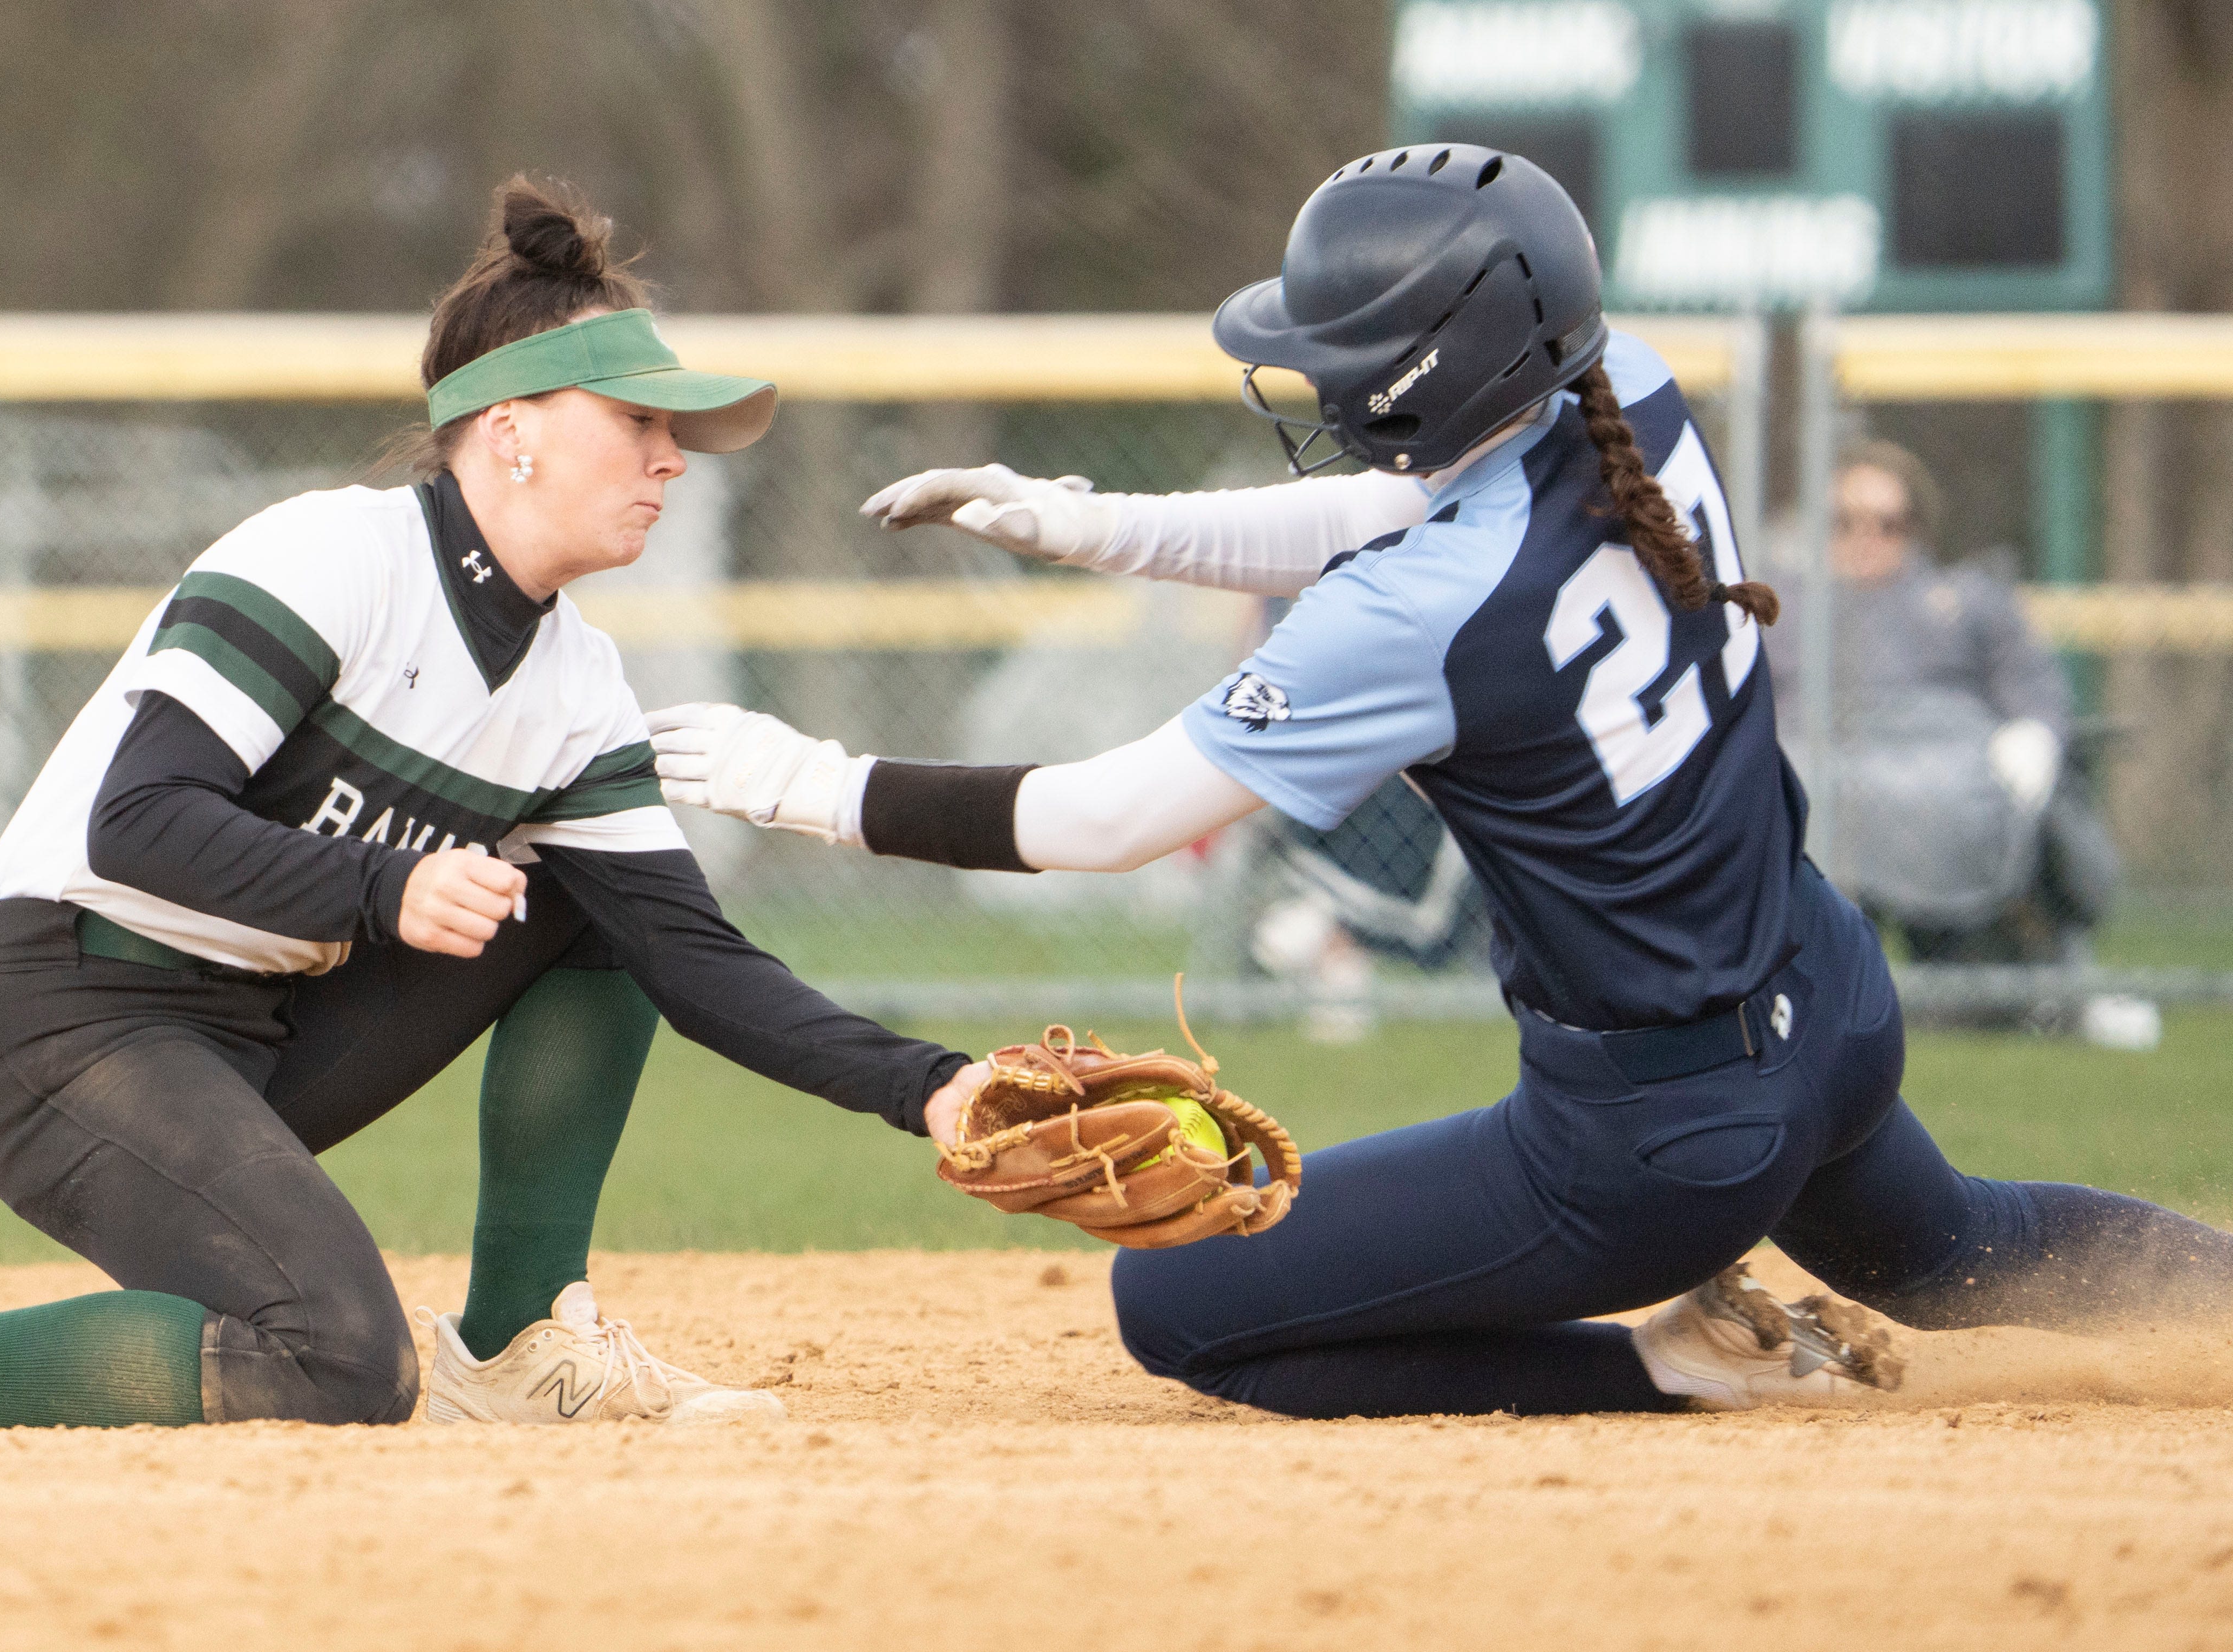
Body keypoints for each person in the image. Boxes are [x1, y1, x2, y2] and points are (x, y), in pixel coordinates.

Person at [649, 145, 2233, 1419]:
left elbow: (1102, 818)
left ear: (1424, 371)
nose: (1311, 371)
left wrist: (812, 783)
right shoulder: (1635, 389)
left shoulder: (1417, 618)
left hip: (1652, 1140)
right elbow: (1407, 509)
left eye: (1342, 349)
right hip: (1820, 999)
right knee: (1961, 1249)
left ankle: (1669, 1358)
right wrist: (1090, 521)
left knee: (1175, 1304)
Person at [0, 178, 982, 1437]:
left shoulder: (576, 686)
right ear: (506, 433)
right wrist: (383, 891)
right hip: (61, 1016)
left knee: (597, 907)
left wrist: (935, 1090)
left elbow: (697, 962)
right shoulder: (329, 556)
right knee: (336, 1359)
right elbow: (132, 820)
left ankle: (517, 1340)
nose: (672, 457)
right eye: (634, 422)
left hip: (253, 1034)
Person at [1773, 440, 2120, 980]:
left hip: (1952, 770)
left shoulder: (1968, 599)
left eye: (1886, 523)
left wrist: (2033, 735)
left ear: (1916, 527)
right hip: (1815, 761)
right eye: (1844, 521)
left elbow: (2035, 689)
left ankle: (1991, 977)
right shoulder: (1778, 606)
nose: (1865, 539)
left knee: (1969, 800)